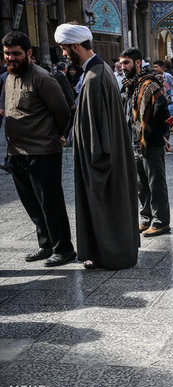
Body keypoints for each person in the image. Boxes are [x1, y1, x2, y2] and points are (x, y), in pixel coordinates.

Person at [55, 23, 139, 270]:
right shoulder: (99, 71)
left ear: (75, 46)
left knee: (104, 207)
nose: (62, 54)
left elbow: (95, 128)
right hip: (106, 154)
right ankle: (104, 253)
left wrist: (94, 164)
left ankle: (109, 254)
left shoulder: (94, 78)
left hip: (100, 159)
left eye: (63, 49)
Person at [2, 31, 75, 267]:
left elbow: (63, 111)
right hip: (17, 152)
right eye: (7, 54)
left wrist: (56, 135)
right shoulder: (9, 77)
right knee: (31, 203)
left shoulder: (43, 78)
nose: (11, 58)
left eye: (16, 54)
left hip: (43, 152)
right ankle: (46, 245)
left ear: (29, 53)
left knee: (50, 202)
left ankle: (63, 249)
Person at [119, 47, 171, 238]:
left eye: (127, 63)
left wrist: (160, 135)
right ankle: (146, 216)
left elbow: (163, 114)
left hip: (150, 142)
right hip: (134, 141)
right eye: (121, 63)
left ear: (138, 63)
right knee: (142, 184)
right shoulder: (130, 85)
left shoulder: (149, 84)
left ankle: (161, 221)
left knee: (155, 183)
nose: (123, 67)